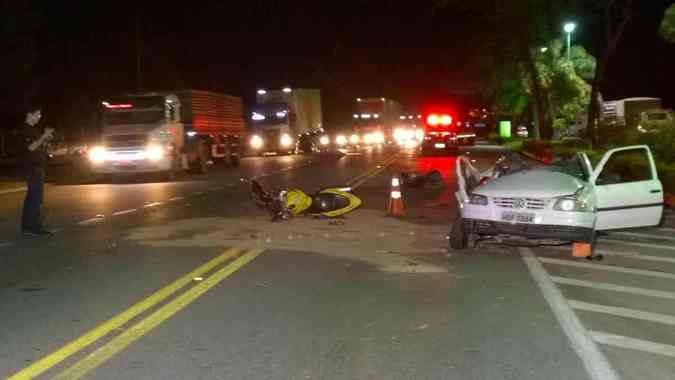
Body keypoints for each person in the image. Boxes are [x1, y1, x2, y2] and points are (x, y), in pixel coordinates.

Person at [19, 106, 54, 237]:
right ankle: (34, 228)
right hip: (33, 169)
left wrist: (46, 140)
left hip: (38, 167)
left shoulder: (34, 130)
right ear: (30, 114)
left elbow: (41, 146)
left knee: (31, 199)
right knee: (36, 199)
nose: (39, 118)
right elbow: (31, 147)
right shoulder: (25, 129)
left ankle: (28, 227)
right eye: (38, 115)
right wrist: (43, 136)